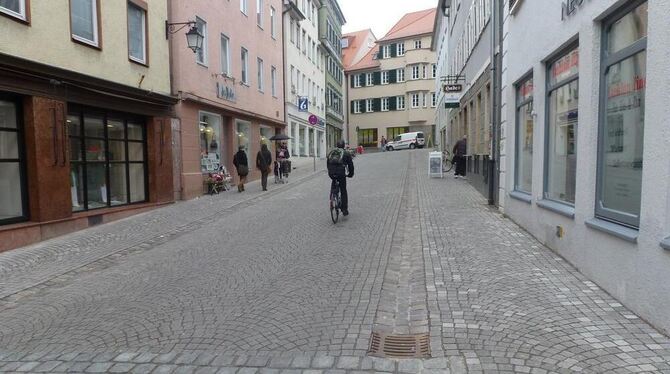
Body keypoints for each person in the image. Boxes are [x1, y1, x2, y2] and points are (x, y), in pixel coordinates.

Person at [327, 139, 354, 216]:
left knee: (334, 181)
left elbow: (328, 164)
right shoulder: (346, 153)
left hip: (332, 173)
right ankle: (344, 209)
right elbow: (351, 166)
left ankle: (332, 195)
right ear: (344, 146)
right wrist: (350, 174)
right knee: (343, 190)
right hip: (341, 174)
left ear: (337, 145)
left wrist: (330, 172)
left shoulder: (332, 152)